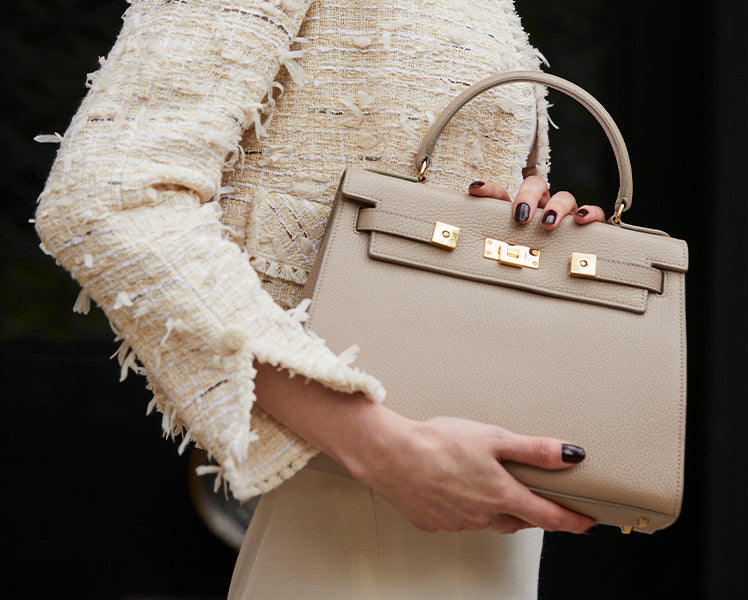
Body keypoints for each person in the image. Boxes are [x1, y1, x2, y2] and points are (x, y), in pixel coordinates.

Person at [35, 1, 607, 598]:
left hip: (476, 502)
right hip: (366, 495)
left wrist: (512, 222)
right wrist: (383, 450)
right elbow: (109, 198)